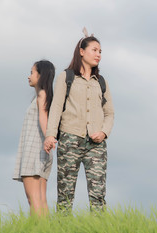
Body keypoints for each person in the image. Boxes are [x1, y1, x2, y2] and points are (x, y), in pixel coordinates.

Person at [44, 28, 114, 212]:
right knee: (65, 195)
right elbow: (56, 108)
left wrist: (104, 132)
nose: (98, 54)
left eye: (100, 51)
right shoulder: (66, 77)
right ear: (81, 51)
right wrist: (51, 135)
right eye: (94, 50)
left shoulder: (101, 82)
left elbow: (110, 113)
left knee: (98, 196)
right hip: (70, 141)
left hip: (96, 144)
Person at [13, 60, 55, 217]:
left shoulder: (42, 94)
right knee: (41, 199)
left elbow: (43, 118)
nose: (29, 76)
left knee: (33, 199)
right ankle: (45, 232)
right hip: (42, 151)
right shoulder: (46, 95)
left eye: (32, 72)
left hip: (35, 150)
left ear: (41, 74)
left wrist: (48, 138)